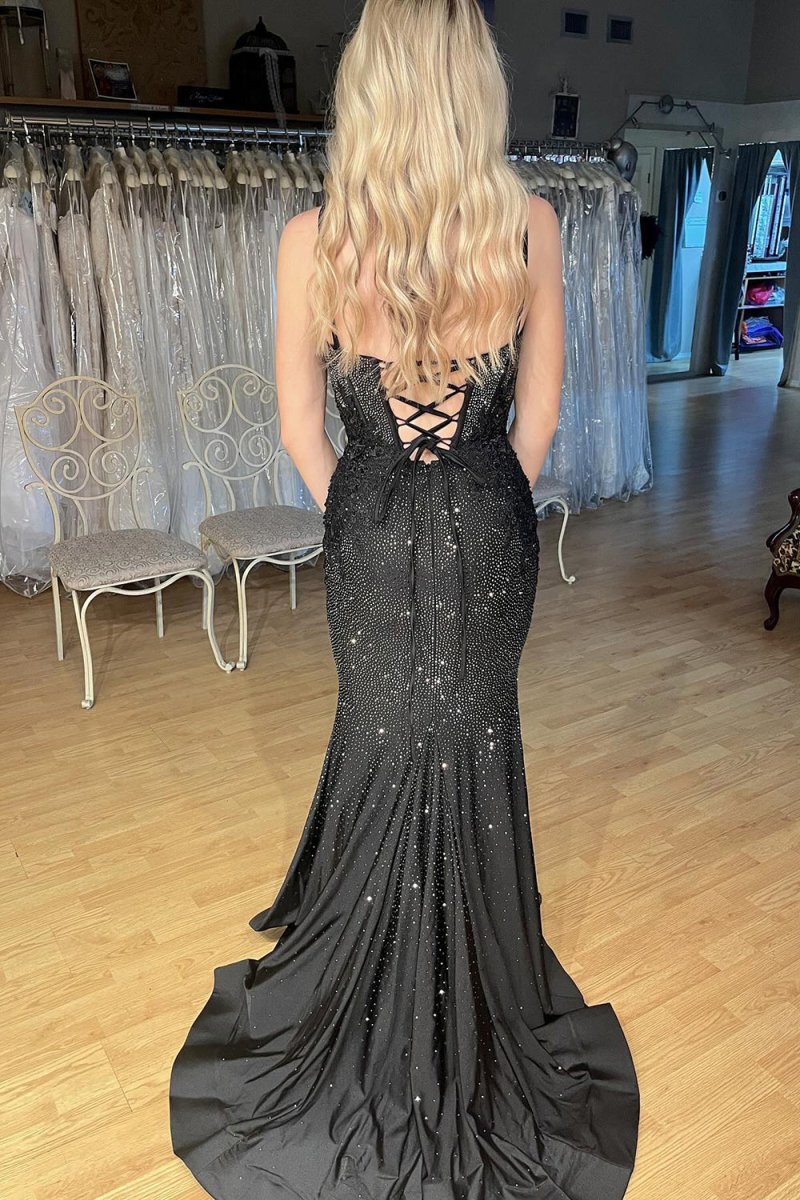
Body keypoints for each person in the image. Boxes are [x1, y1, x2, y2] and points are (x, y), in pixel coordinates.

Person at [168, 2, 640, 1197]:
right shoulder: (528, 224)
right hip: (489, 524)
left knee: (382, 734)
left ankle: (371, 988)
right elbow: (538, 418)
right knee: (475, 740)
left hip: (368, 531)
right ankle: (471, 983)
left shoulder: (311, 241)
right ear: (475, 84)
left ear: (366, 88)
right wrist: (471, 504)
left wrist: (375, 510)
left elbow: (296, 426)